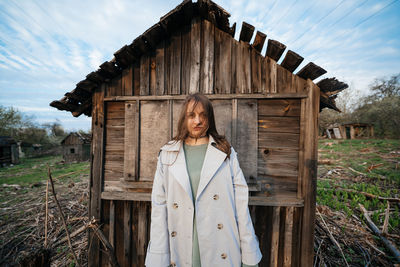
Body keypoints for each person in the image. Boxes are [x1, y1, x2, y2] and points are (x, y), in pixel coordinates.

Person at [145, 93, 262, 267]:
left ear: (210, 119)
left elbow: (241, 205)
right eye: (192, 115)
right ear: (184, 119)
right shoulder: (167, 154)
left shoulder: (226, 153)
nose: (197, 121)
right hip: (181, 245)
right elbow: (159, 208)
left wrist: (249, 256)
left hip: (220, 243)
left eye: (203, 115)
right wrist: (158, 257)